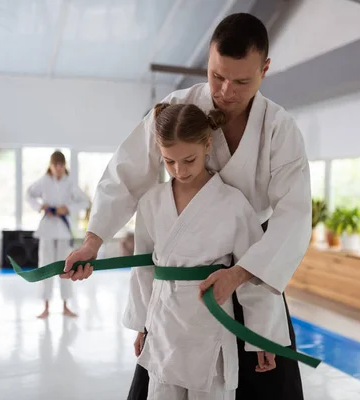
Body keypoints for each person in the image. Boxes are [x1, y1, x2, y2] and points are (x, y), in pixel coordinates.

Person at [62, 13, 311, 400]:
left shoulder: (279, 129)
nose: (226, 91)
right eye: (216, 76)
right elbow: (126, 173)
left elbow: (293, 218)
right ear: (208, 61)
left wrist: (241, 273)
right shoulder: (177, 108)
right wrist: (93, 242)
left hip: (248, 273)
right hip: (178, 298)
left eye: (242, 81)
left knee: (266, 383)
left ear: (265, 70)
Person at [123, 103, 290, 399]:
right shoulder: (151, 202)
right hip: (164, 324)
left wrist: (263, 338)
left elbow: (252, 272)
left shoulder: (232, 203)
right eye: (169, 162)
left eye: (189, 160)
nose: (179, 170)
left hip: (209, 322)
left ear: (207, 145)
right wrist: (141, 325)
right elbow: (144, 270)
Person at [26, 150, 90, 319]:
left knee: (66, 266)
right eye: (55, 165)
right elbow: (29, 194)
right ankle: (45, 306)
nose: (58, 168)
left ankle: (65, 305)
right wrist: (41, 206)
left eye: (61, 165)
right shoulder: (43, 181)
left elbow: (85, 201)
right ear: (51, 165)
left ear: (64, 166)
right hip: (47, 228)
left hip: (63, 230)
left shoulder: (70, 183)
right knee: (45, 265)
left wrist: (67, 208)